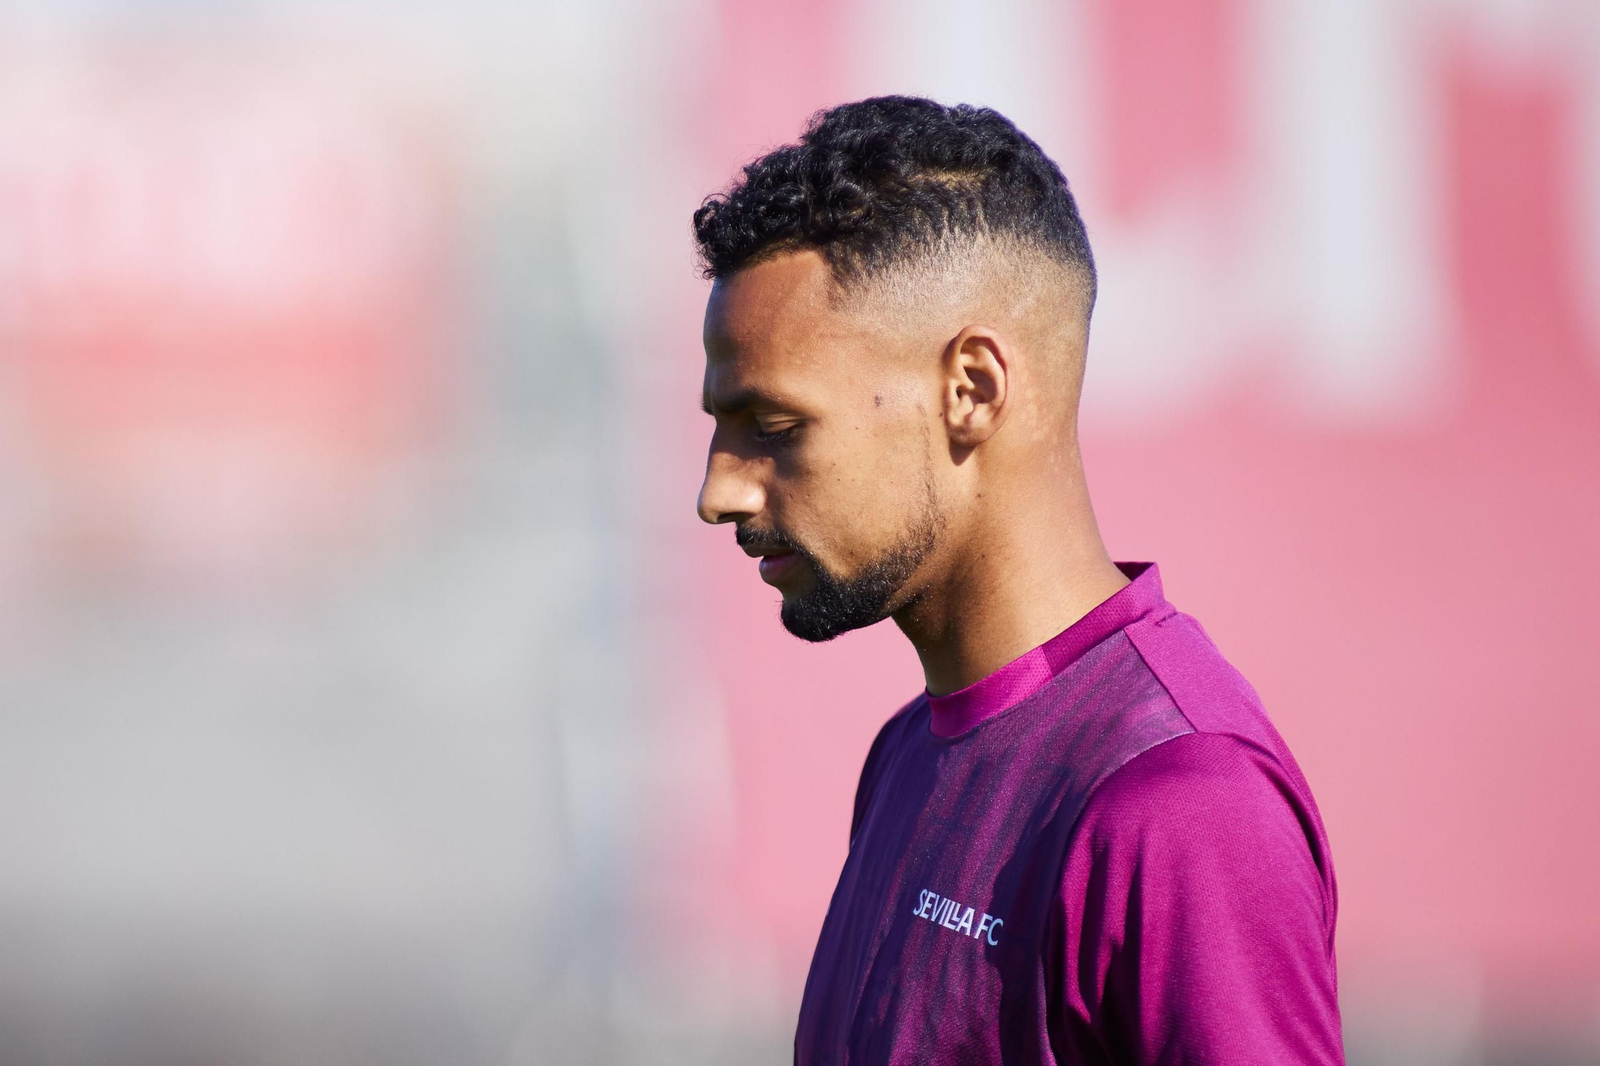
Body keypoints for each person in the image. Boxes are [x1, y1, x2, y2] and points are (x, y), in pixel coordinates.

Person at [691, 96, 1343, 1065]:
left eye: (775, 428)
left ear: (973, 390)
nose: (717, 492)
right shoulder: (907, 752)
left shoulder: (1185, 805)